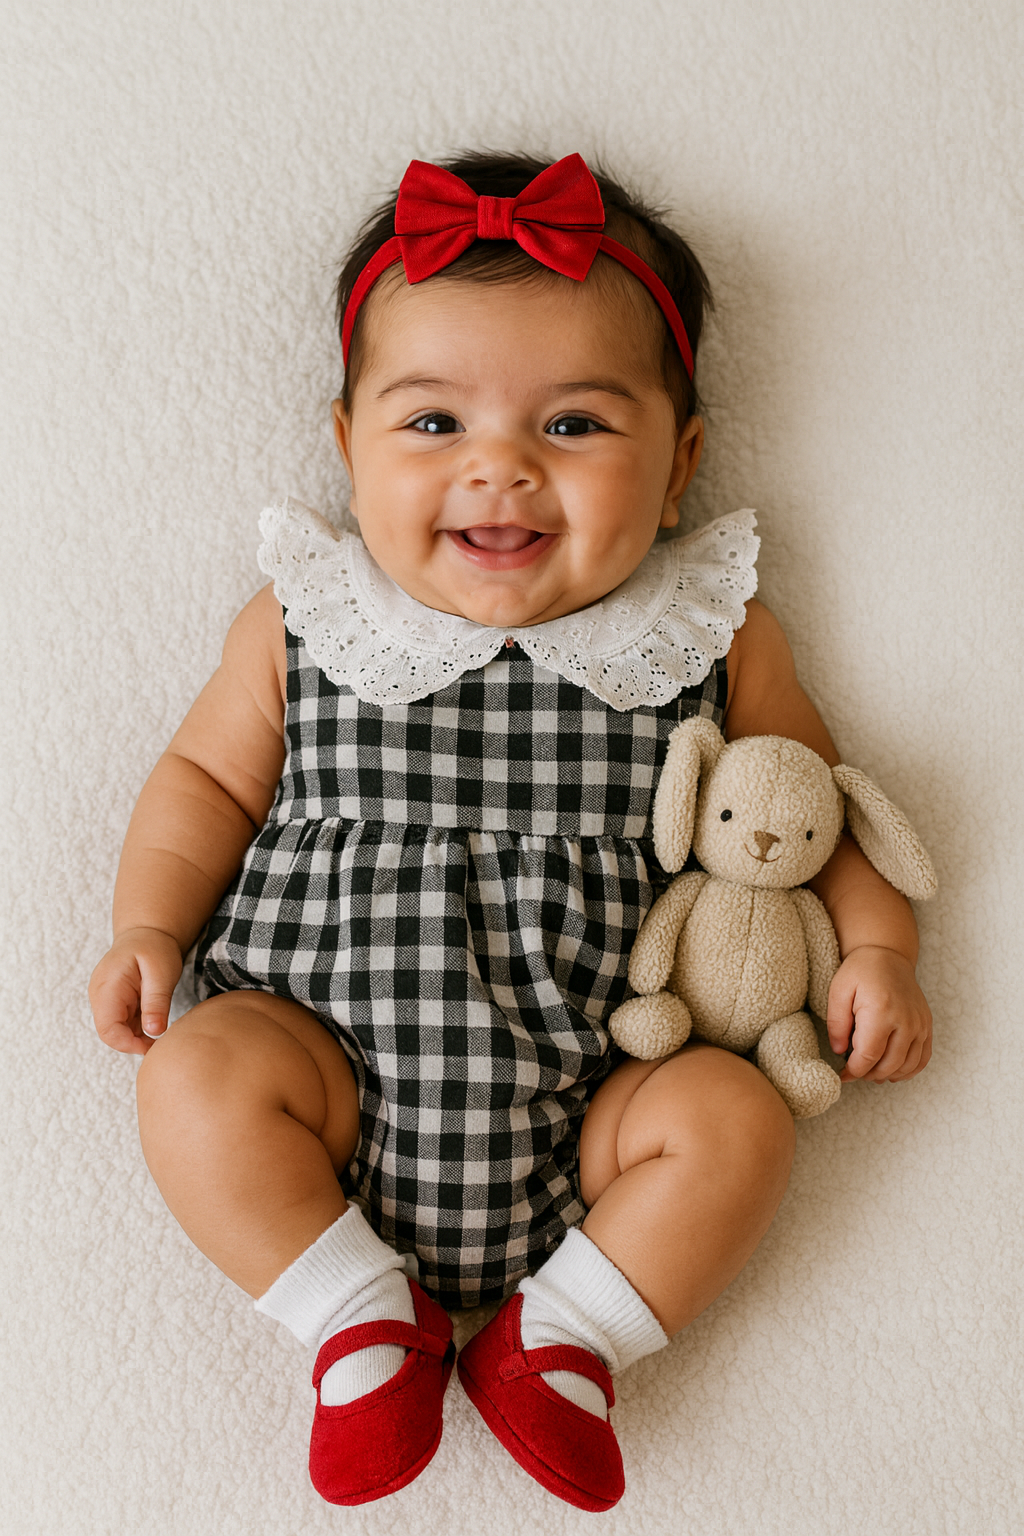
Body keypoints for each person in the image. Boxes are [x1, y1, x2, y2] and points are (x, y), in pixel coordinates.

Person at [89, 153, 932, 1512]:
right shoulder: (309, 623)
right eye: (431, 425)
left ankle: (567, 1336)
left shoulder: (708, 638)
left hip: (603, 1097)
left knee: (737, 1122)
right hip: (328, 1068)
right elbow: (202, 781)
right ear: (346, 442)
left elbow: (811, 809)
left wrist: (877, 950)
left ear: (682, 468)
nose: (500, 469)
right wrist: (148, 924)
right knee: (195, 1077)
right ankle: (354, 1317)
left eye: (576, 426)